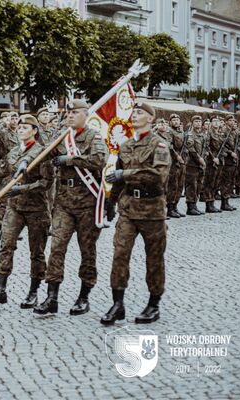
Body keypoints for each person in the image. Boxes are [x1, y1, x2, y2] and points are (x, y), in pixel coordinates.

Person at [34, 99, 108, 316]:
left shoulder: (93, 136)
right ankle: (52, 297)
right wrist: (25, 161)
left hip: (87, 202)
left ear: (85, 115)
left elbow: (100, 160)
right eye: (68, 113)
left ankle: (84, 296)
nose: (69, 116)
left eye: (74, 113)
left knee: (87, 250)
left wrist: (71, 159)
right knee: (57, 247)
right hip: (64, 201)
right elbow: (43, 154)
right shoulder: (62, 137)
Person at [101, 102, 170, 325]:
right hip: (128, 209)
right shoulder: (126, 145)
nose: (134, 115)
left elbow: (158, 176)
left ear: (150, 118)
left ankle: (154, 304)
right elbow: (117, 179)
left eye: (140, 112)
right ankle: (118, 303)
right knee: (120, 254)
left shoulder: (159, 144)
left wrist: (125, 173)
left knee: (154, 258)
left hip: (152, 209)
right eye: (134, 112)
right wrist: (110, 203)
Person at [0, 114, 54, 309]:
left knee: (37, 251)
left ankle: (33, 292)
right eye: (19, 127)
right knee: (6, 245)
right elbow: (3, 177)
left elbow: (46, 183)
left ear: (35, 131)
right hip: (14, 207)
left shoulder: (43, 153)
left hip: (36, 209)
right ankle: (0, 290)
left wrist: (23, 189)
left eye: (26, 127)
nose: (21, 129)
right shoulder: (13, 152)